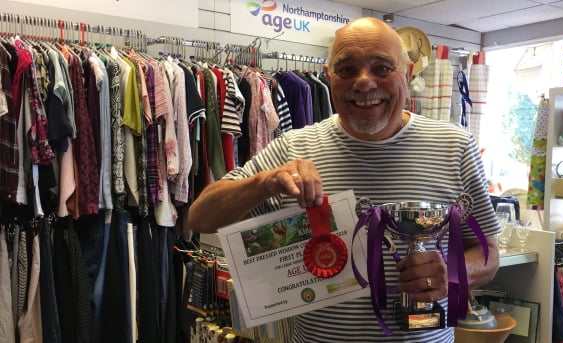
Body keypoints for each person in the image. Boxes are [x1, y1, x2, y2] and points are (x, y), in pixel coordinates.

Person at [188, 16, 501, 342]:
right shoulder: (294, 148)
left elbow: (488, 253)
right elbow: (200, 217)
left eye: (382, 68)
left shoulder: (455, 147)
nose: (364, 83)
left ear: (406, 74)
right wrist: (265, 181)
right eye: (347, 69)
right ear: (328, 76)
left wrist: (451, 272)